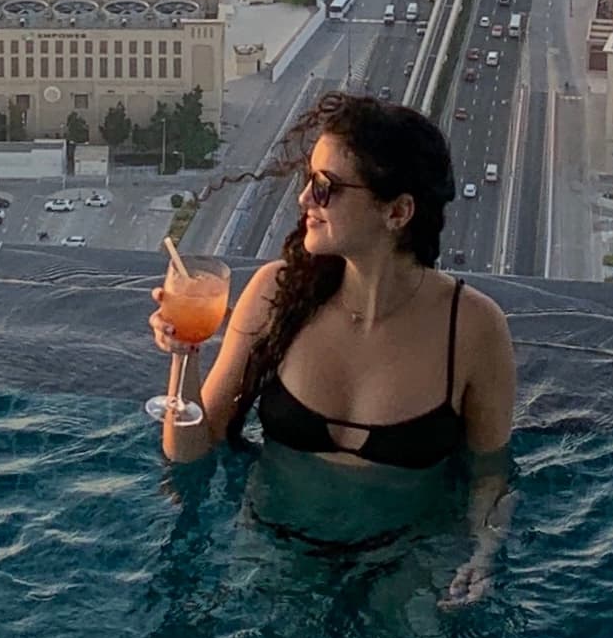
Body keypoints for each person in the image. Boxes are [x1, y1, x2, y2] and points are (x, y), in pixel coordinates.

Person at [152, 92, 516, 600]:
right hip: (276, 552)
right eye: (309, 182)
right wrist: (183, 354)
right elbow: (191, 453)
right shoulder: (275, 295)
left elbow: (490, 474)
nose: (304, 200)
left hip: (404, 562)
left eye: (326, 188)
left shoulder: (473, 328)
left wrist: (483, 556)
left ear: (398, 211)